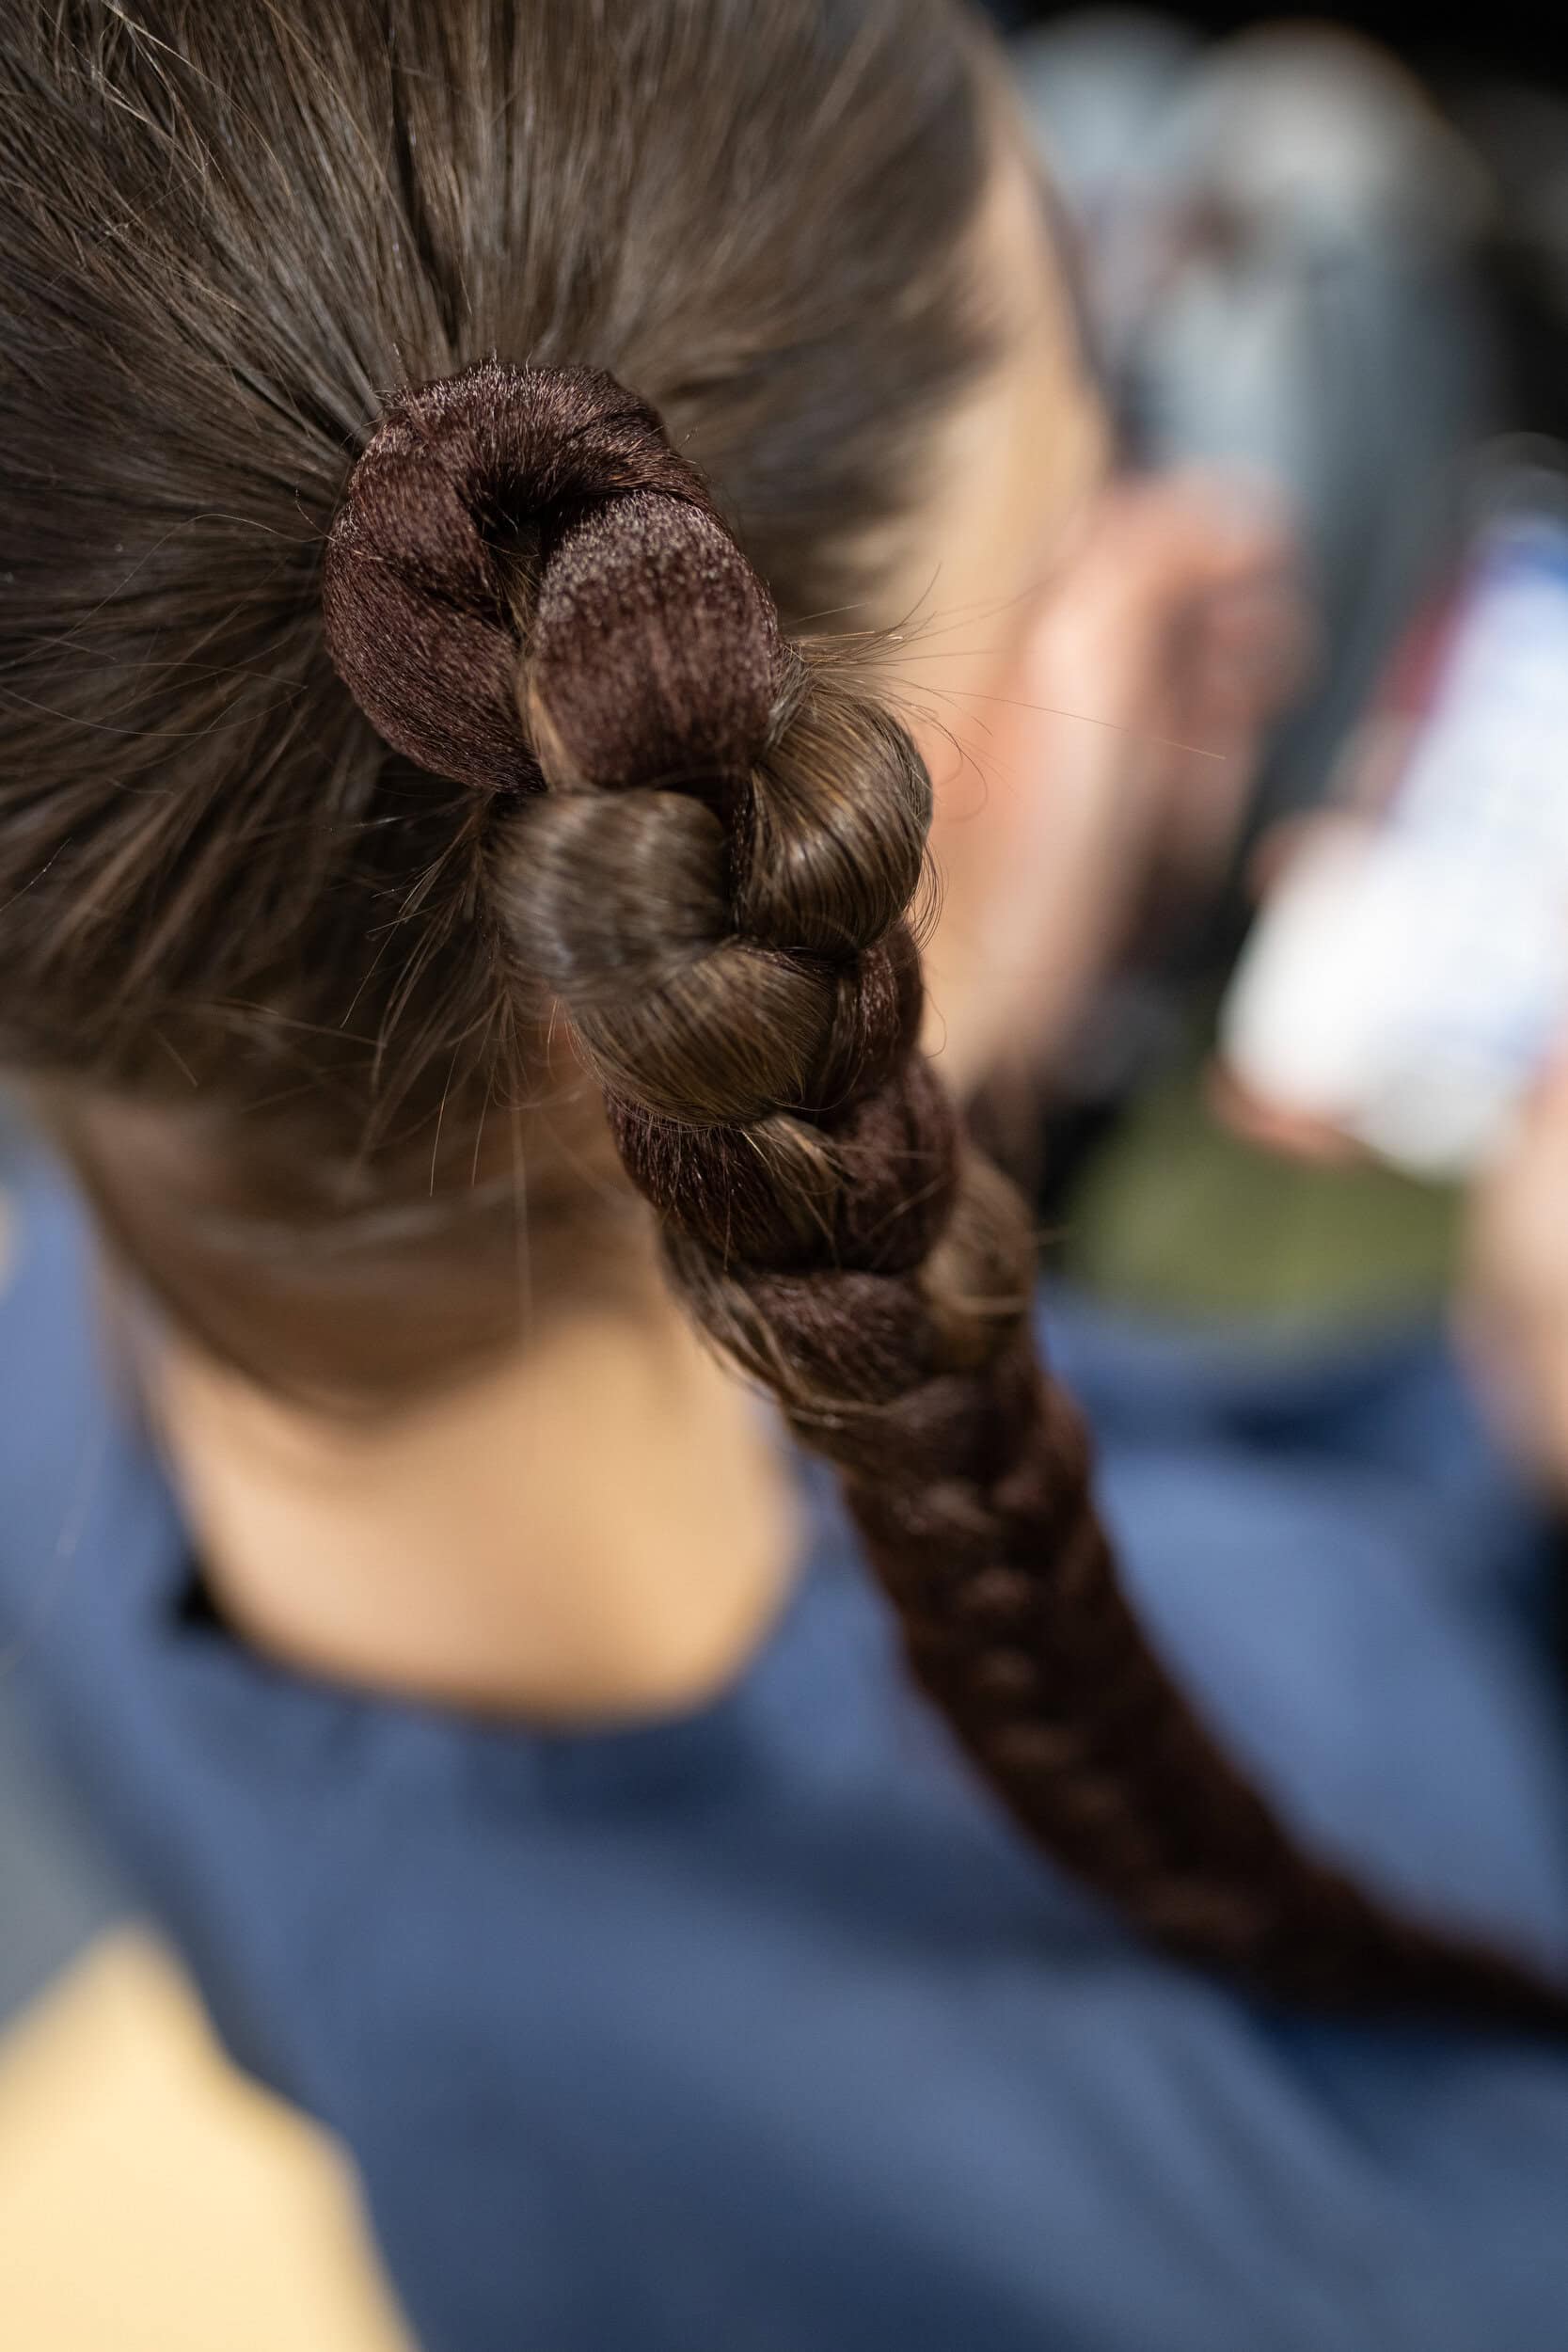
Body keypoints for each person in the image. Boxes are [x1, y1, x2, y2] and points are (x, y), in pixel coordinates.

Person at [1, 6, 1566, 2346]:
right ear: (783, 851)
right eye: (1075, 504)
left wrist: (972, 965)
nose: (1191, 541)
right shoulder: (1302, 2228)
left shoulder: (66, 1340)